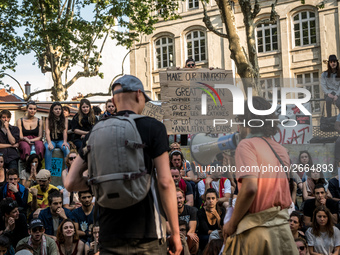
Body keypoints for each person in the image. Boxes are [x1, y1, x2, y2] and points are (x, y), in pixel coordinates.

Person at [65, 74, 181, 255]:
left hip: (109, 234)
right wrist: (175, 232)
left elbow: (70, 182)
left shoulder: (95, 131)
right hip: (148, 234)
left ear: (114, 100)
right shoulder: (153, 127)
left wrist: (100, 181)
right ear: (138, 94)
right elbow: (166, 182)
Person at [222, 96, 297, 254]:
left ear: (247, 121)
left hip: (257, 234)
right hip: (283, 234)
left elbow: (250, 188)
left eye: (239, 120)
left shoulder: (246, 145)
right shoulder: (281, 149)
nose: (238, 127)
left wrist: (231, 224)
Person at [44, 102, 70, 171]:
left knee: (66, 148)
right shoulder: (48, 119)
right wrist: (49, 143)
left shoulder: (65, 119)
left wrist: (65, 141)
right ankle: (48, 171)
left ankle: (68, 169)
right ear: (52, 110)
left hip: (61, 140)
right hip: (52, 140)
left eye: (59, 109)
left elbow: (65, 131)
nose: (58, 110)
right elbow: (47, 132)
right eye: (56, 109)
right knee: (48, 148)